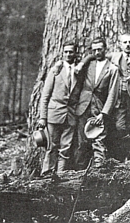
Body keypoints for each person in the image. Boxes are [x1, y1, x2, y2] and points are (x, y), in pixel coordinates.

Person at [38, 40, 82, 176]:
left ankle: (60, 174)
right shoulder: (55, 70)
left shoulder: (79, 71)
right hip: (54, 114)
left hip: (70, 115)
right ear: (62, 53)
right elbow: (45, 95)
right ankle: (47, 173)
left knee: (66, 148)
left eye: (71, 52)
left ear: (75, 53)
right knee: (51, 146)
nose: (68, 54)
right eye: (66, 52)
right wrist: (42, 117)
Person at [75, 37, 120, 169]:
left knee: (99, 140)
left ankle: (98, 171)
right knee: (81, 142)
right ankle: (78, 173)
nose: (97, 52)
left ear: (105, 49)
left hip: (99, 108)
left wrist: (104, 113)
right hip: (83, 106)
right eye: (94, 50)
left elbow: (113, 93)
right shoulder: (89, 64)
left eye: (100, 49)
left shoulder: (112, 69)